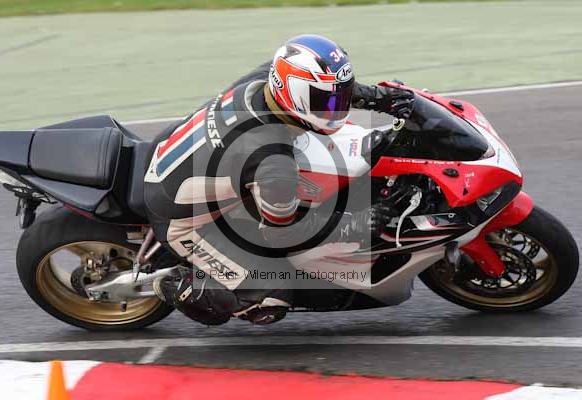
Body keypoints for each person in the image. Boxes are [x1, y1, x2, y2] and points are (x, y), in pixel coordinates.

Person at [144, 34, 414, 326]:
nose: (337, 106)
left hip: (174, 155)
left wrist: (376, 96)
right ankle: (179, 285)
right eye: (327, 101)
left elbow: (326, 86)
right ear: (297, 96)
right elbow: (283, 233)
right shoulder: (273, 161)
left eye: (341, 96)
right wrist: (354, 224)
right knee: (270, 298)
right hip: (183, 220)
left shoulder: (269, 79)